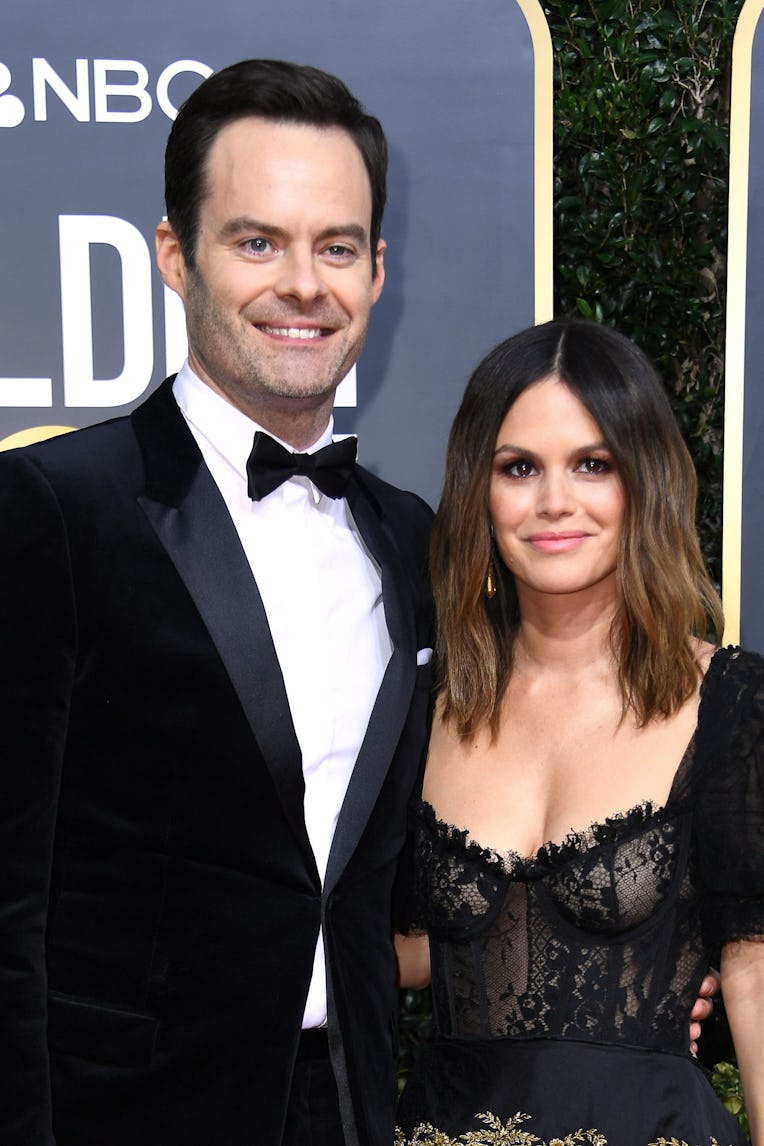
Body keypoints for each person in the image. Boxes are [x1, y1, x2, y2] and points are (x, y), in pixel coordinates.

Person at [0, 59, 435, 1146]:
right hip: (127, 1114)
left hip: (347, 1104)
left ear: (376, 272)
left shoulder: (408, 536)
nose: (303, 283)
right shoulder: (56, 507)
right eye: (257, 241)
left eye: (335, 247)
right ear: (172, 255)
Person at [394, 319, 764, 1145]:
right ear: (478, 491)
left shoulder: (730, 701)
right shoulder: (425, 701)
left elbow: (755, 974)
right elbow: (399, 950)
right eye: (519, 468)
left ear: (644, 481)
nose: (553, 501)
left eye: (592, 464)